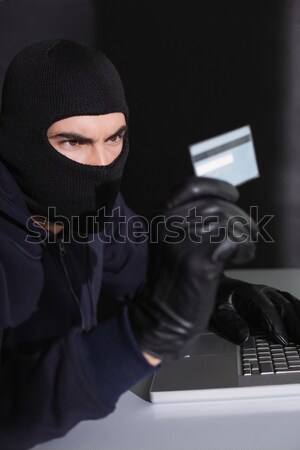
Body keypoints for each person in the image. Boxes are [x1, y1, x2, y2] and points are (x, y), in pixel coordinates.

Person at [0, 39, 299, 450]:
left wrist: (220, 294)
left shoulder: (96, 206)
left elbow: (142, 272)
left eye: (115, 138)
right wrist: (143, 337)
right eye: (73, 142)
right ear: (21, 142)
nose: (102, 164)